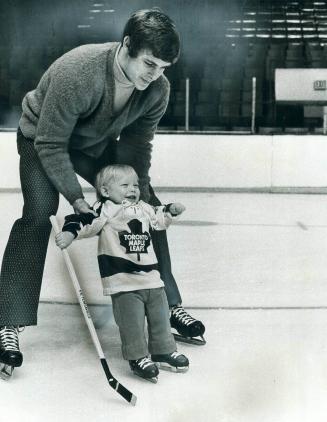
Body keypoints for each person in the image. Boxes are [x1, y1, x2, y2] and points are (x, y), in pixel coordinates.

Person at [0, 8, 205, 379]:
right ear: (127, 45)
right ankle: (7, 322)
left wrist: (134, 199)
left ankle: (167, 303)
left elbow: (137, 146)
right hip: (41, 138)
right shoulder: (78, 70)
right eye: (148, 63)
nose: (154, 75)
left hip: (93, 145)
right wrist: (79, 203)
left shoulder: (157, 87)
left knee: (145, 208)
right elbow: (51, 144)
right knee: (39, 212)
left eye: (162, 67)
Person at [55, 164, 189, 381]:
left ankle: (163, 350)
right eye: (125, 185)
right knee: (132, 321)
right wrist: (70, 234)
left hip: (151, 278)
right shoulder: (104, 209)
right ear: (106, 191)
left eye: (135, 185)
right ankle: (137, 356)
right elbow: (83, 221)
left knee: (161, 316)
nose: (133, 189)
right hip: (123, 280)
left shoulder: (144, 207)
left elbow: (158, 218)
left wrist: (170, 210)